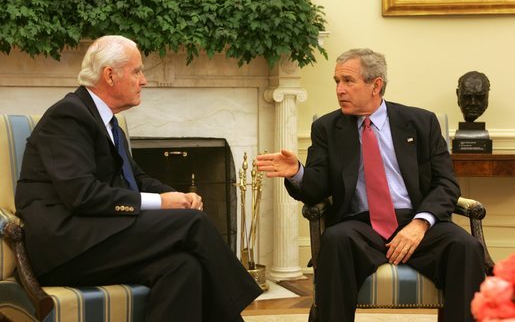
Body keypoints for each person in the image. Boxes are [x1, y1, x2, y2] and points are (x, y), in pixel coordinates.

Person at [15, 35, 262, 322]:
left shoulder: (107, 122)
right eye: (137, 71)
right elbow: (82, 194)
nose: (143, 80)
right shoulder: (68, 116)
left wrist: (176, 197)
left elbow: (138, 178)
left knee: (182, 267)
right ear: (109, 75)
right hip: (66, 248)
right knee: (193, 224)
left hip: (98, 238)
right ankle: (241, 309)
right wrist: (160, 203)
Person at [256, 48, 485, 322]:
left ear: (375, 85)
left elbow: (446, 183)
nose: (340, 89)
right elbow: (317, 189)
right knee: (335, 239)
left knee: (466, 247)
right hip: (360, 225)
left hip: (417, 221)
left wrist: (420, 223)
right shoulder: (328, 128)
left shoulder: (421, 122)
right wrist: (298, 173)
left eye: (348, 81)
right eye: (337, 81)